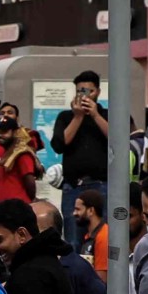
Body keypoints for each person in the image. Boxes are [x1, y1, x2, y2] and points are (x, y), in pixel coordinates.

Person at [56, 71, 110, 255]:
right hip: (73, 186)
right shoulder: (65, 117)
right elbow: (59, 144)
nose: (85, 96)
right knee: (73, 238)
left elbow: (118, 139)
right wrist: (78, 117)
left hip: (101, 185)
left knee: (104, 233)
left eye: (89, 91)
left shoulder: (106, 114)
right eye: (80, 91)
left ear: (98, 92)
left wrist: (94, 115)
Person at [0, 107, 44, 208]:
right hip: (0, 205)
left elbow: (29, 179)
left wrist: (32, 199)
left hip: (17, 207)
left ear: (14, 133)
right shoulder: (6, 153)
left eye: (4, 132)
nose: (0, 135)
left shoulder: (22, 153)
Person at [75, 186, 112, 279]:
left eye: (78, 209)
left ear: (91, 210)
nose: (74, 213)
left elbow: (102, 278)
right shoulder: (90, 236)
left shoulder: (103, 236)